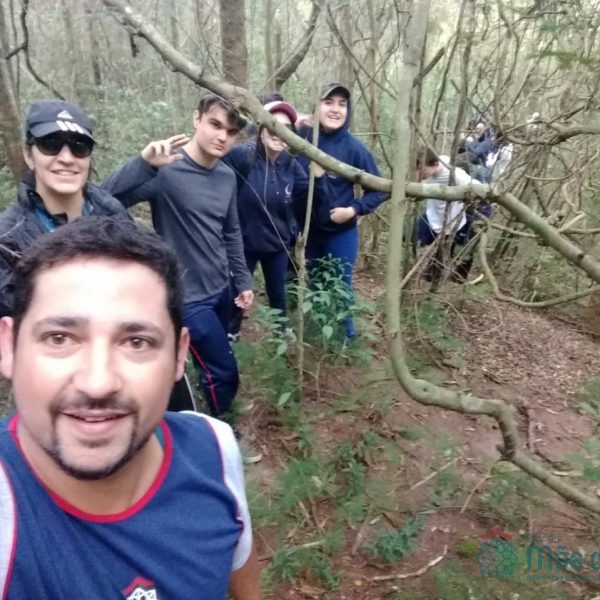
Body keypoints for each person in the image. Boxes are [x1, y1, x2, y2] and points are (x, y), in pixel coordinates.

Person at [0, 217, 261, 599]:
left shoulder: (215, 450)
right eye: (59, 338)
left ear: (178, 355)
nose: (98, 383)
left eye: (136, 342)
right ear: (9, 347)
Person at [0, 98, 194, 411]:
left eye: (79, 147)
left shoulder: (111, 211)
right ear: (28, 154)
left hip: (132, 363)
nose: (66, 158)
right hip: (60, 385)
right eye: (51, 144)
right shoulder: (8, 239)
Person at [104, 94, 255, 429]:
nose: (222, 136)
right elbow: (103, 197)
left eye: (231, 132)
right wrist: (142, 162)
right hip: (187, 296)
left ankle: (211, 406)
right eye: (215, 124)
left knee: (214, 362)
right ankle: (220, 428)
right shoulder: (166, 170)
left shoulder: (226, 176)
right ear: (196, 119)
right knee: (223, 370)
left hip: (221, 286)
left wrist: (243, 280)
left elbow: (231, 231)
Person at [223, 99, 328, 337]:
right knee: (238, 291)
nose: (278, 133)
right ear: (262, 130)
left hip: (277, 243)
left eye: (286, 129)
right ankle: (231, 334)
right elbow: (211, 165)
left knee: (277, 292)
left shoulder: (291, 164)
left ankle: (280, 332)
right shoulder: (242, 156)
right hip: (244, 243)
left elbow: (310, 198)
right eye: (273, 126)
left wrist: (319, 178)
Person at [297, 82, 387, 339]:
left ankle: (346, 339)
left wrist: (353, 210)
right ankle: (318, 337)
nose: (335, 109)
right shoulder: (301, 137)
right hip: (308, 231)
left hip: (340, 231)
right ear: (317, 106)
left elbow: (380, 189)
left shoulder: (353, 148)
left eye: (342, 104)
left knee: (340, 284)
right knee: (314, 283)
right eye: (328, 102)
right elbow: (271, 120)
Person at [415, 149, 478, 282]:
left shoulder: (455, 174)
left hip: (450, 221)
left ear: (434, 165)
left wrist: (467, 197)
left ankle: (438, 278)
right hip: (432, 216)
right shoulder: (434, 167)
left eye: (423, 169)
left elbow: (478, 188)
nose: (421, 173)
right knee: (409, 236)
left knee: (444, 250)